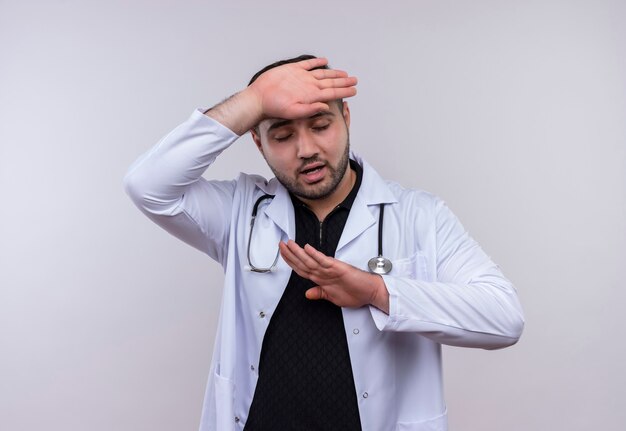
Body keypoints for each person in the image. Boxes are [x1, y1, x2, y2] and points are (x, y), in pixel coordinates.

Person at [124, 54, 524, 431]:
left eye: (320, 126)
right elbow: (147, 185)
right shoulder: (239, 211)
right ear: (259, 143)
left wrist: (378, 292)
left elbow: (504, 319)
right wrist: (254, 99)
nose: (307, 150)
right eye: (281, 135)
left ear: (345, 117)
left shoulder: (419, 216)